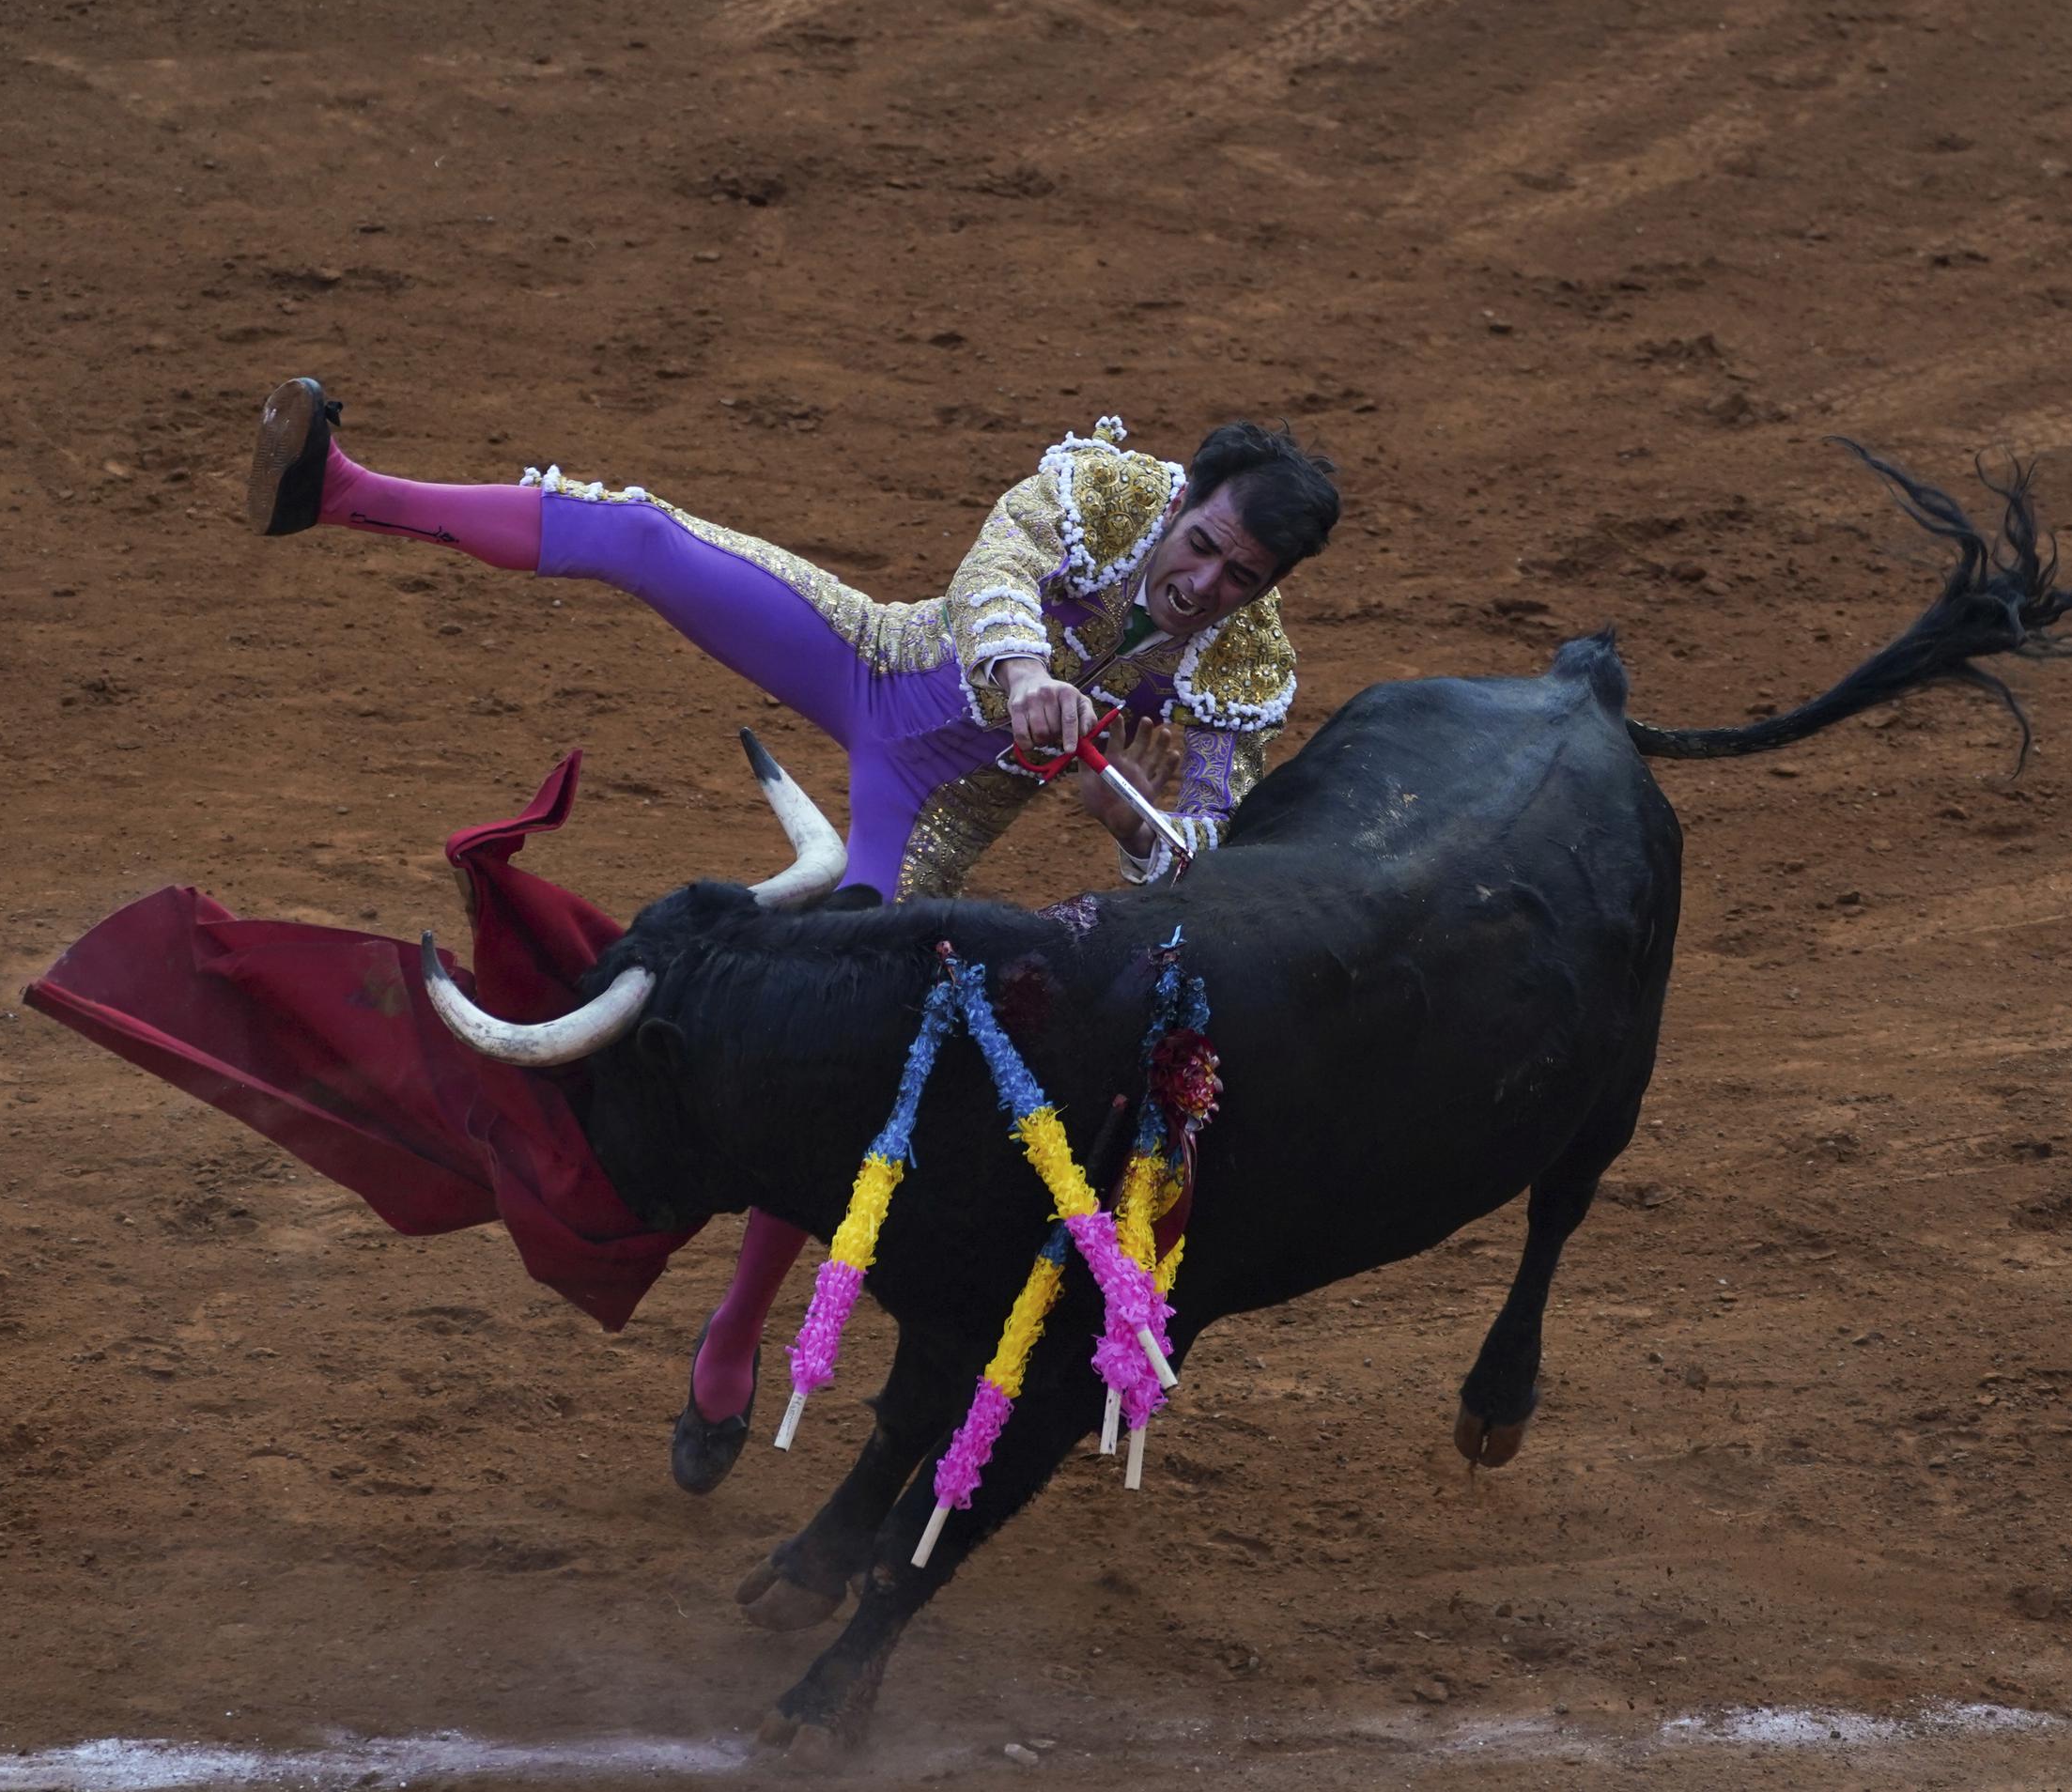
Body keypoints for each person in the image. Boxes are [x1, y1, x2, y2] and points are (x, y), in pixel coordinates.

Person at [245, 377, 1340, 1491]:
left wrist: (1118, 816)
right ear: (1180, 499)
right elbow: (994, 574)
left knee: (819, 1059)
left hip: (930, 822)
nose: (1204, 584)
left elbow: (1201, 848)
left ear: (1271, 585)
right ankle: (338, 490)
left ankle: (731, 1337)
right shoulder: (1107, 491)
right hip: (869, 655)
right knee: (639, 535)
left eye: (1241, 576)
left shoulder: (1242, 669)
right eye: (1201, 543)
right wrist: (1022, 673)